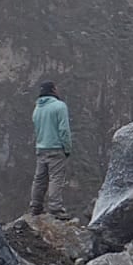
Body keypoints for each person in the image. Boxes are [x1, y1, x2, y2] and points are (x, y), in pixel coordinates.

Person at [30, 80, 73, 218]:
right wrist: (67, 148)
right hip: (56, 148)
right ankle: (55, 208)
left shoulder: (37, 109)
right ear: (53, 90)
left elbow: (37, 130)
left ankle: (36, 206)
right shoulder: (59, 106)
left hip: (41, 148)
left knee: (39, 179)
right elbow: (64, 130)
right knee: (56, 178)